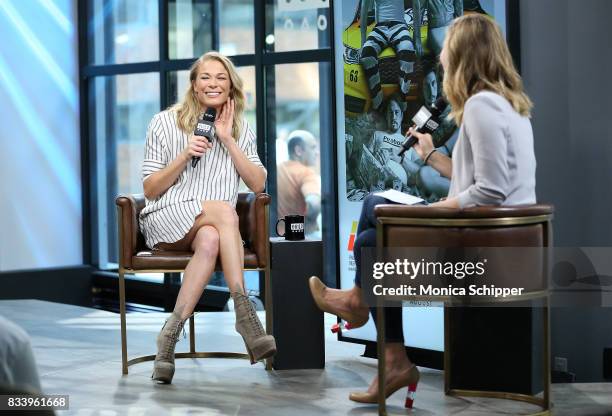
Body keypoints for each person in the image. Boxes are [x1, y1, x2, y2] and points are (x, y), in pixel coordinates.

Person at [310, 13, 535, 405]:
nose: (442, 58)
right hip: (489, 229)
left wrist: (437, 208)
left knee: (370, 237)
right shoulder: (506, 105)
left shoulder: (482, 106)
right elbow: (478, 179)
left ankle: (374, 329)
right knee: (373, 206)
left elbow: (490, 191)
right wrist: (431, 157)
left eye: (446, 50)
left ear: (464, 55)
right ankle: (376, 331)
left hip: (483, 241)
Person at [139, 51, 276, 384]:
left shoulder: (240, 129)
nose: (213, 83)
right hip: (165, 217)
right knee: (224, 211)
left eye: (221, 78)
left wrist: (228, 139)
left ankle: (168, 337)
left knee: (212, 237)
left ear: (231, 87)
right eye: (206, 77)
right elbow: (150, 188)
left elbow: (258, 184)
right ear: (194, 85)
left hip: (211, 224)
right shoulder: (164, 122)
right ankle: (245, 313)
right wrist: (186, 153)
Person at [360, 0, 419, 111]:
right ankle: (378, 100)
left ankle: (402, 95)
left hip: (399, 25)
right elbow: (364, 6)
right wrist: (363, 41)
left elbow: (416, 4)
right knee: (367, 54)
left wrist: (417, 37)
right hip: (380, 27)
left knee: (408, 50)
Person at [277, 130, 321, 236]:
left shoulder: (277, 170)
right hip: (300, 237)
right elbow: (314, 204)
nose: (317, 152)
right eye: (313, 147)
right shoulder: (307, 173)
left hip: (278, 235)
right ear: (298, 151)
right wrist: (310, 224)